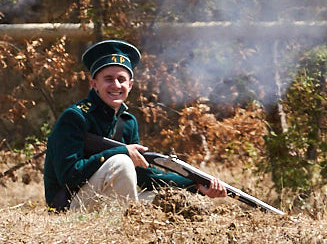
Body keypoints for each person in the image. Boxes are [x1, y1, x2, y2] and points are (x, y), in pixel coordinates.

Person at [43, 40, 226, 210]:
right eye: (108, 78)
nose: (116, 85)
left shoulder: (127, 122)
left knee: (164, 198)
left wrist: (195, 184)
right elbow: (68, 176)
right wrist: (120, 152)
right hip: (70, 206)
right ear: (94, 84)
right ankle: (124, 227)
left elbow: (146, 177)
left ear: (130, 85)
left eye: (121, 79)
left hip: (105, 201)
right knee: (121, 162)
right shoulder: (75, 117)